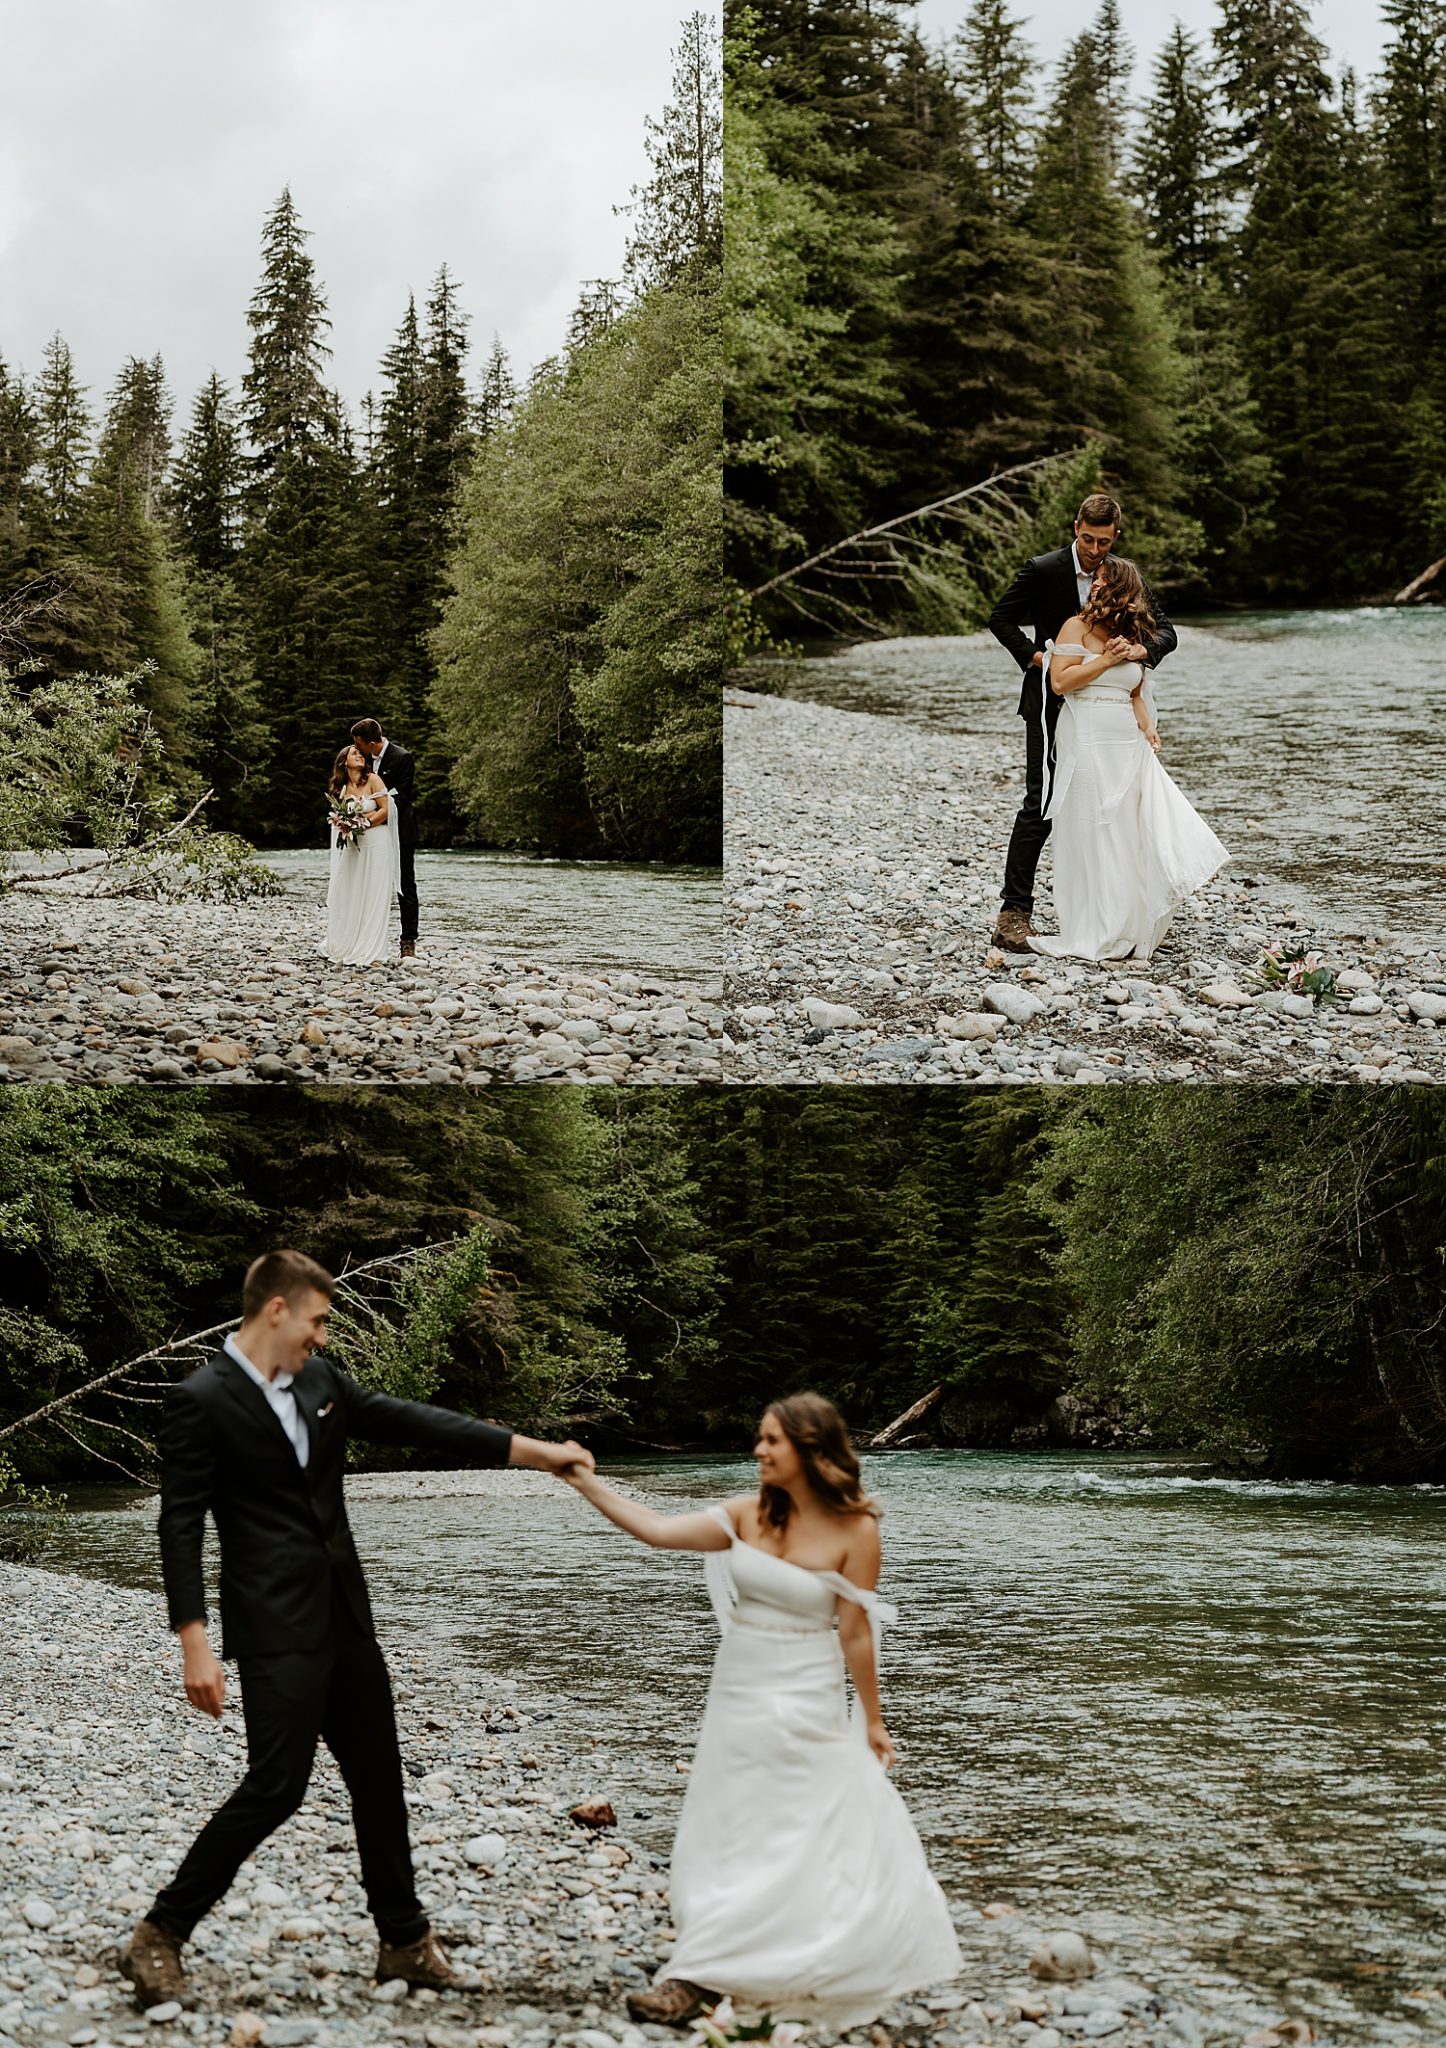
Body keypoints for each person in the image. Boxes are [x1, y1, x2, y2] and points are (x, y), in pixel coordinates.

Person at [119, 1250, 595, 2011]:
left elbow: (417, 1421)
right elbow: (180, 1524)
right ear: (276, 1309)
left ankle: (404, 1942)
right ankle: (160, 1934)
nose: (322, 1336)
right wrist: (194, 1642)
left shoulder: (321, 1383)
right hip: (273, 1626)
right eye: (316, 1320)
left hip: (345, 1615)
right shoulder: (200, 1399)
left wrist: (538, 1456)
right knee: (277, 1787)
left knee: (378, 1777)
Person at [561, 1393, 961, 2029]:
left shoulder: (857, 1530)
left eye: (772, 1440)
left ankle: (792, 1954)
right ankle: (702, 1970)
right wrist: (583, 1481)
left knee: (799, 1823)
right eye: (761, 1438)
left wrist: (873, 1719)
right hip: (739, 1691)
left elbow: (856, 1631)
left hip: (808, 1695)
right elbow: (656, 1531)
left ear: (810, 1449)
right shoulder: (745, 1515)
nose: (759, 1450)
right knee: (728, 1821)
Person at [987, 494, 1177, 952]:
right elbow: (1000, 619)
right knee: (1041, 800)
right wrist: (1038, 658)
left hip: (1107, 711)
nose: (1094, 550)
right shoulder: (1043, 569)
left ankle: (1116, 912)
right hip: (1051, 702)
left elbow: (1166, 632)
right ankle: (1014, 913)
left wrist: (1139, 651)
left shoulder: (1122, 575)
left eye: (1103, 542)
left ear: (1116, 536)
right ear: (1076, 528)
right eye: (1088, 539)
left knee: (1112, 806)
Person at [1028, 556, 1228, 961]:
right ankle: (1095, 926)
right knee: (1093, 825)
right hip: (1086, 733)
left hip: (1126, 738)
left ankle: (1131, 924)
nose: (1094, 585)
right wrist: (1106, 660)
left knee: (1130, 828)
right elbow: (1060, 682)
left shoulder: (1130, 634)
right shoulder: (1076, 627)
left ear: (1120, 589)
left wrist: (1147, 726)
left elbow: (1135, 691)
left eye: (1102, 581)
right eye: (1094, 581)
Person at [324, 743, 399, 966]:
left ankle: (369, 948)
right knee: (348, 890)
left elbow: (386, 809)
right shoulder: (340, 787)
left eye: (360, 753)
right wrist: (346, 825)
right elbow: (337, 815)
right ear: (343, 762)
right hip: (352, 845)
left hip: (377, 843)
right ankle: (346, 942)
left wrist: (363, 823)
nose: (360, 755)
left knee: (373, 892)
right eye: (354, 753)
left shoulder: (373, 779)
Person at [351, 719, 419, 961]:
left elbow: (402, 797)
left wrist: (370, 814)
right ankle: (364, 938)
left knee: (404, 885)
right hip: (372, 835)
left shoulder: (402, 758)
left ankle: (408, 941)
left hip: (401, 831)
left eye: (358, 743)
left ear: (371, 742)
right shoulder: (363, 760)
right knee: (367, 882)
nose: (355, 748)